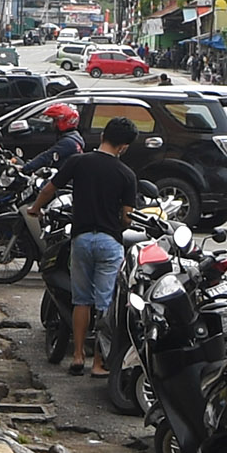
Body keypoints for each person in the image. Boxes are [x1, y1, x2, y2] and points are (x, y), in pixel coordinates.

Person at [60, 116, 140, 375]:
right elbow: (127, 218)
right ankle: (98, 363)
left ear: (103, 135)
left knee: (81, 300)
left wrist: (35, 208)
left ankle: (77, 356)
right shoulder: (126, 174)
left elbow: (51, 188)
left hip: (81, 239)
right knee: (105, 304)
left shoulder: (79, 162)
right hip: (109, 242)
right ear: (124, 147)